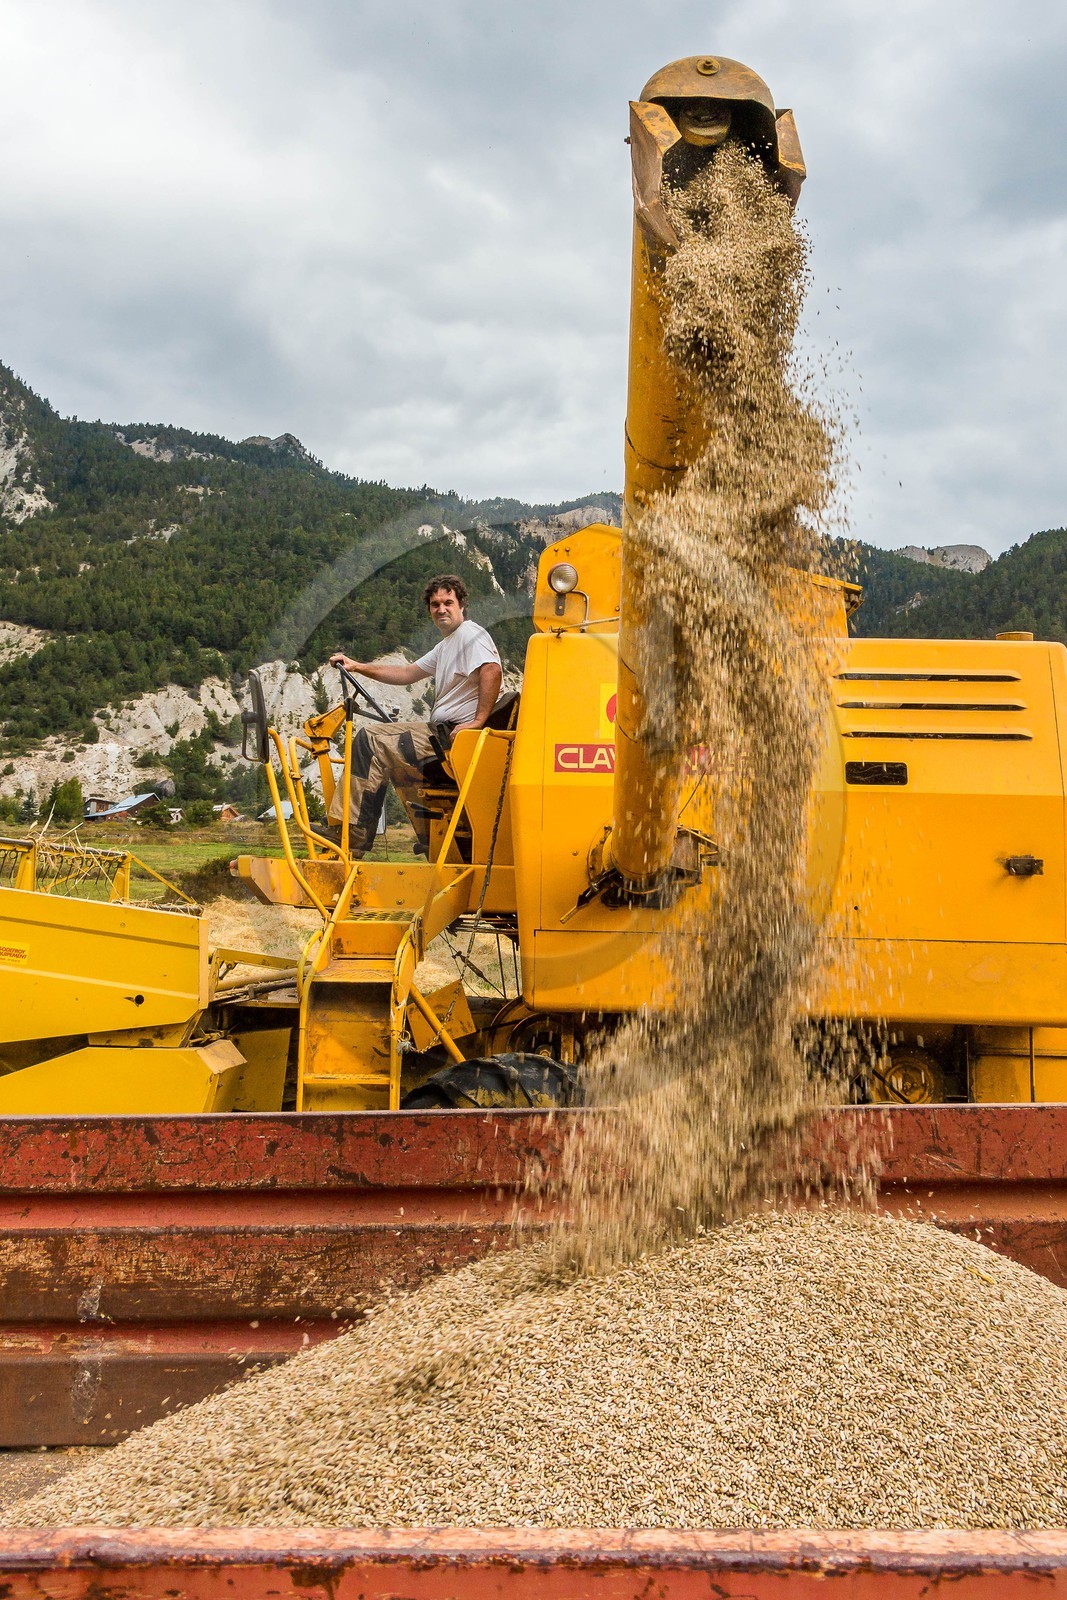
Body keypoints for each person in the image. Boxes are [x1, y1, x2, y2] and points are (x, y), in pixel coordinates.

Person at [325, 573, 503, 857]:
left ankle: (351, 834)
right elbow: (407, 673)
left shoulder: (470, 635)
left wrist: (478, 721)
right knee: (389, 757)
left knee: (371, 741)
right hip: (443, 733)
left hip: (452, 734)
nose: (441, 609)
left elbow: (491, 670)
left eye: (448, 602)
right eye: (435, 604)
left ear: (462, 605)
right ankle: (431, 837)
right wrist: (357, 666)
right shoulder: (447, 644)